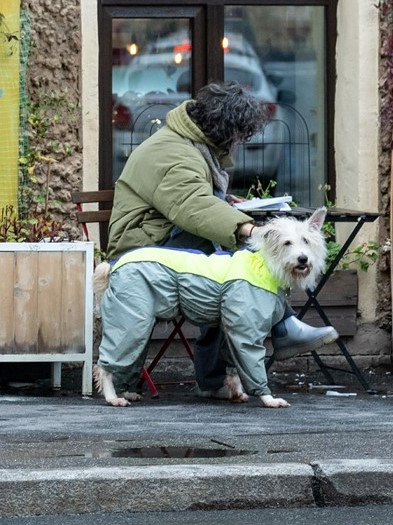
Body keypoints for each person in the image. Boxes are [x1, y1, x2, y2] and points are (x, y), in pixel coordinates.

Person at [105, 80, 337, 396]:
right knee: (229, 272)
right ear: (224, 130)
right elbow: (192, 206)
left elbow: (190, 199)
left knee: (230, 272)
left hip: (163, 238)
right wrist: (249, 229)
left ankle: (265, 341)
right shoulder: (173, 152)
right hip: (142, 251)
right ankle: (276, 333)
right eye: (239, 134)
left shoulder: (187, 144)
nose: (240, 141)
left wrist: (227, 202)